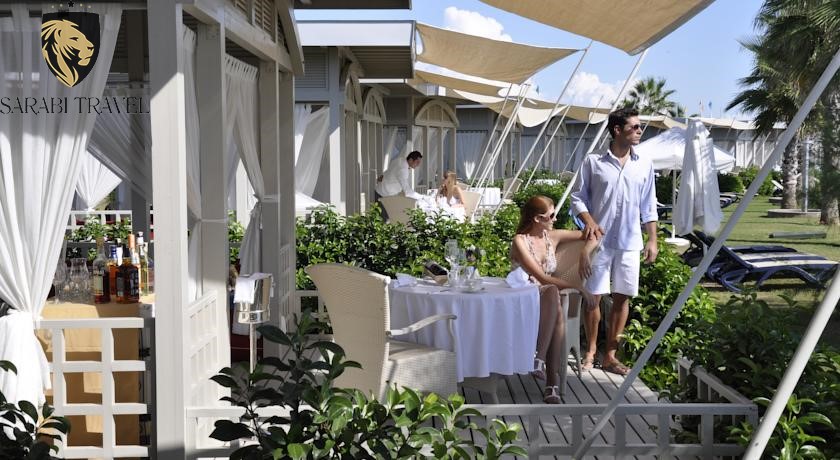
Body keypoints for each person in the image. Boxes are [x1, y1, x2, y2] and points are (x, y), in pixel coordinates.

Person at [570, 107, 659, 376]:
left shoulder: (644, 164)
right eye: (635, 127)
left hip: (630, 242)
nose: (640, 131)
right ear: (617, 130)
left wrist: (652, 239)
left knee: (622, 298)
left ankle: (610, 356)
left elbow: (649, 205)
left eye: (640, 126)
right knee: (593, 298)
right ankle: (590, 351)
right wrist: (589, 221)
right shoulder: (593, 162)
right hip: (599, 243)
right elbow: (577, 198)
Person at [510, 195, 596, 403]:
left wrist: (585, 252)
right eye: (551, 215)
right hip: (522, 299)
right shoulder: (520, 241)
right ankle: (551, 384)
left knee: (552, 296)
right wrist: (579, 288)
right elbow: (541, 277)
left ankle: (540, 362)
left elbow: (595, 234)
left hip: (548, 298)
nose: (555, 219)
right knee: (552, 294)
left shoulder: (553, 237)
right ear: (537, 219)